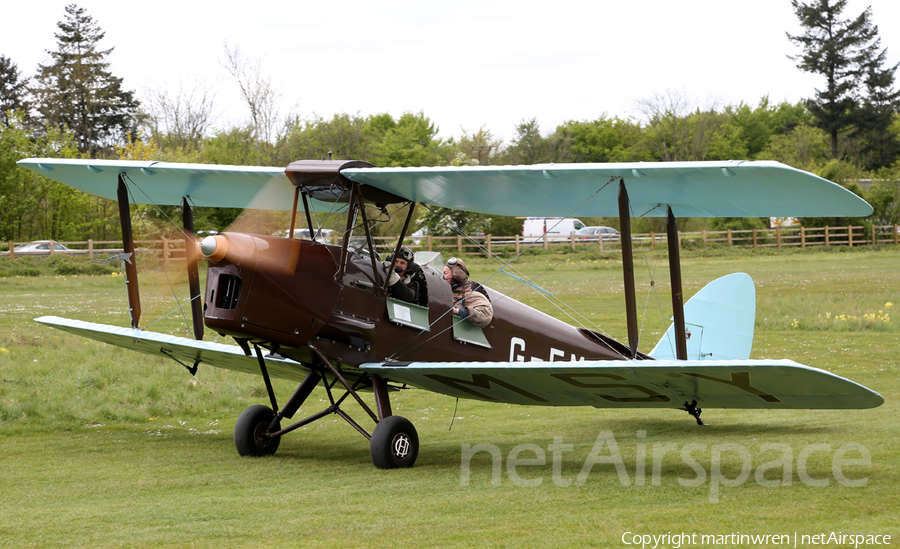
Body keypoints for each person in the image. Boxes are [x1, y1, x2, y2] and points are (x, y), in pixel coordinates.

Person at [443, 257, 493, 327]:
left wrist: (458, 311)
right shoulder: (445, 293)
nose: (443, 276)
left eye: (445, 273)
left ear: (456, 276)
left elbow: (486, 316)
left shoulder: (473, 296)